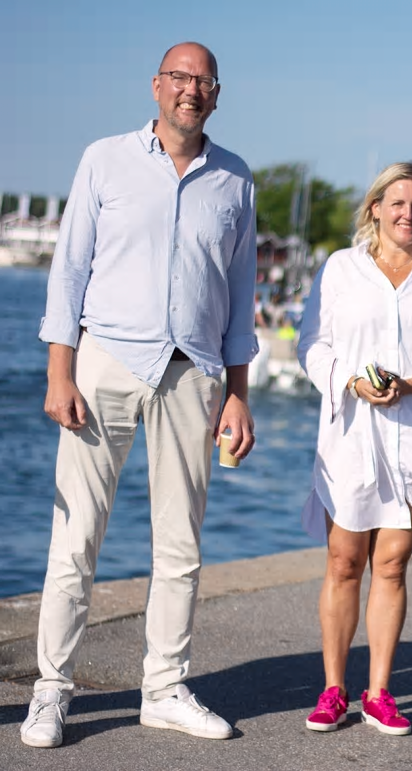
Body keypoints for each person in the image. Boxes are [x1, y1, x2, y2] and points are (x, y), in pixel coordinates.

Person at [20, 42, 257, 749]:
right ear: (157, 86)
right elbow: (69, 271)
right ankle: (50, 691)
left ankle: (163, 688)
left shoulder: (236, 181)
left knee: (179, 542)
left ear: (216, 94)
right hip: (105, 363)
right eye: (179, 77)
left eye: (203, 81)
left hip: (195, 374)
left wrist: (239, 394)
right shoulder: (104, 159)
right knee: (76, 538)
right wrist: (60, 372)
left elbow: (241, 298)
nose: (190, 90)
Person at [296, 161, 412, 736]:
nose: (408, 215)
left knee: (392, 565)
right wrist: (351, 380)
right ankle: (333, 690)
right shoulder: (340, 269)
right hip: (349, 437)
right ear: (375, 208)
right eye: (397, 204)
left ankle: (378, 693)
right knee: (345, 562)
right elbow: (311, 346)